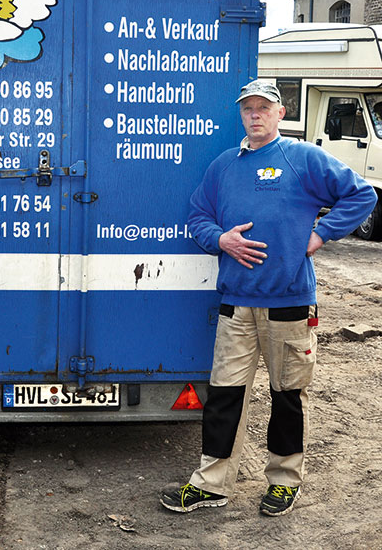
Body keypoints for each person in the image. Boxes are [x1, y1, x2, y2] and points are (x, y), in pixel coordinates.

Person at [161, 80, 377, 517]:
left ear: (281, 114)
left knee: (287, 395)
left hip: (290, 303)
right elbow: (198, 216)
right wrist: (221, 239)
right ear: (241, 115)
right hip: (236, 303)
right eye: (248, 109)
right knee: (224, 395)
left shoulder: (303, 159)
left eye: (264, 108)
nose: (255, 115)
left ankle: (283, 480)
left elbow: (362, 194)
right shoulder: (223, 166)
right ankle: (211, 484)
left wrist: (320, 234)